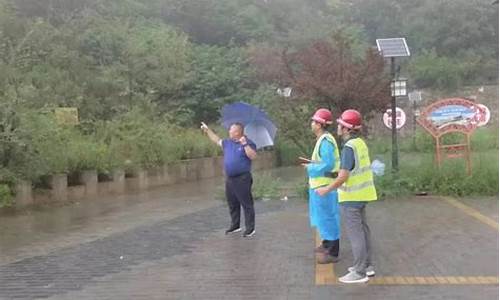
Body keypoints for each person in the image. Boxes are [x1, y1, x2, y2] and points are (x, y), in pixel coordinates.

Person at [316, 109, 377, 284]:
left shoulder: (349, 147)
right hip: (363, 195)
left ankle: (359, 272)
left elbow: (344, 176)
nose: (338, 126)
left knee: (356, 235)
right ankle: (367, 266)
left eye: (340, 124)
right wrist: (334, 173)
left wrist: (326, 189)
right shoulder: (360, 143)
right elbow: (352, 169)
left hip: (351, 197)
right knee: (364, 232)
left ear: (347, 128)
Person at [201, 121, 258, 237]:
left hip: (242, 178)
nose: (229, 131)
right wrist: (207, 130)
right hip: (230, 178)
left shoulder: (248, 143)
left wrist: (245, 145)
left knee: (246, 204)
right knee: (232, 203)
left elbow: (253, 156)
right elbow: (216, 140)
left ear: (237, 132)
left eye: (231, 130)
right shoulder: (228, 143)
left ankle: (250, 228)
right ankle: (235, 225)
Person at [304, 108, 341, 264]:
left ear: (319, 125)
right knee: (322, 217)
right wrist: (312, 164)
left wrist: (310, 168)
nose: (312, 124)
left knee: (327, 217)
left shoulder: (325, 141)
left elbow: (328, 164)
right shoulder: (322, 140)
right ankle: (327, 244)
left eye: (314, 121)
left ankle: (333, 252)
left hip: (324, 186)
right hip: (319, 185)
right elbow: (323, 162)